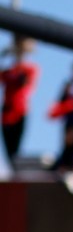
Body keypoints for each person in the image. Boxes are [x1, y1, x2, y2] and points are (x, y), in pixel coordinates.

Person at [0, 36, 39, 173]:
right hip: (6, 112)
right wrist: (4, 56)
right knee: (8, 150)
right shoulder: (8, 71)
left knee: (16, 151)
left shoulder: (30, 69)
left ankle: (15, 172)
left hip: (20, 111)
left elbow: (27, 84)